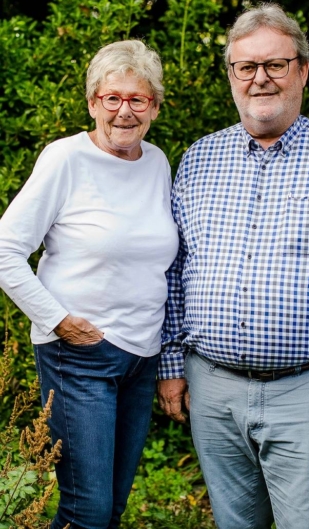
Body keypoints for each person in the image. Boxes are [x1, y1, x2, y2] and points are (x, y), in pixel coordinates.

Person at [157, 3, 309, 529]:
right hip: (212, 389)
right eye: (246, 67)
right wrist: (171, 365)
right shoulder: (197, 159)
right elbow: (175, 272)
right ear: (231, 75)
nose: (260, 78)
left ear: (303, 71)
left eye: (276, 64)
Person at [0, 39, 179, 529]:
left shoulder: (157, 163)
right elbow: (5, 251)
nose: (125, 111)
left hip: (141, 360)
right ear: (92, 102)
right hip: (80, 356)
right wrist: (57, 320)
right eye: (112, 98)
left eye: (137, 99)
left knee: (111, 507)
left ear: (155, 106)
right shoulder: (65, 159)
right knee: (88, 511)